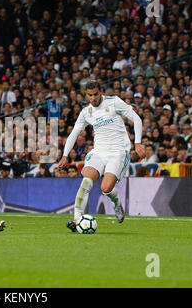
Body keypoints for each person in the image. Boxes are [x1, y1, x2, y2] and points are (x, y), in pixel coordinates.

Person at [58, 81, 145, 231]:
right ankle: (77, 219)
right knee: (86, 182)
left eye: (96, 94)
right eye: (90, 95)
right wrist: (65, 155)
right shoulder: (86, 112)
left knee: (106, 188)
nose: (93, 98)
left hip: (118, 152)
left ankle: (117, 204)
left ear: (101, 92)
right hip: (98, 151)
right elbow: (74, 133)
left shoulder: (114, 102)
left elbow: (136, 119)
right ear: (87, 95)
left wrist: (137, 143)